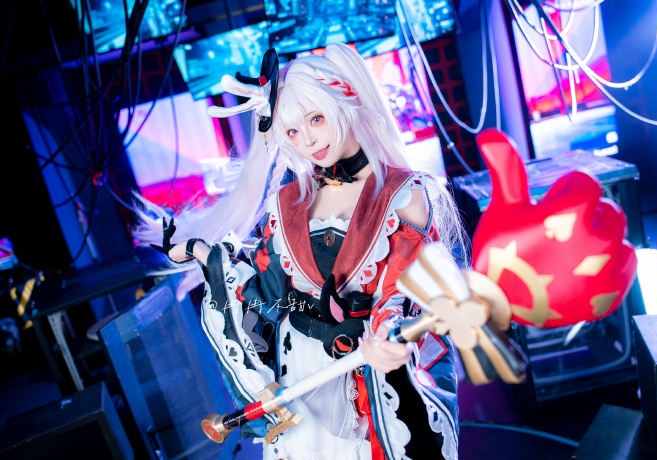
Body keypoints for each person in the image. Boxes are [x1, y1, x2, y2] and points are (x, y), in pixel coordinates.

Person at [132, 42, 469, 460]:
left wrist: (389, 334)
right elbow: (270, 296)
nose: (308, 140)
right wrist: (208, 257)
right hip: (301, 375)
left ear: (343, 103)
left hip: (371, 375)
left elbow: (404, 288)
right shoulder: (288, 203)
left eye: (316, 119)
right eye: (292, 131)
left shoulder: (404, 193)